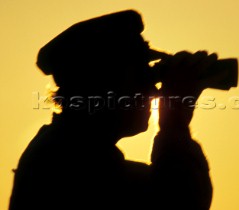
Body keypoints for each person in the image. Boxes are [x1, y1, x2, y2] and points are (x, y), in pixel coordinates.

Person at [9, 10, 214, 210]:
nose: (153, 91)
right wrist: (175, 122)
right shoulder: (68, 164)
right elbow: (178, 201)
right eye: (141, 77)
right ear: (100, 83)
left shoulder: (66, 150)